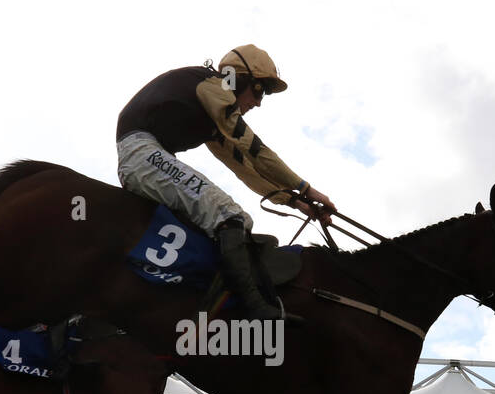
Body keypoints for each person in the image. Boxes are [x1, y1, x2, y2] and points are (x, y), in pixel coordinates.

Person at [115, 45, 336, 323]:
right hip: (142, 154)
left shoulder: (212, 114)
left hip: (145, 158)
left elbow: (244, 167)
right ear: (239, 79)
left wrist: (295, 201)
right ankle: (253, 307)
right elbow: (255, 149)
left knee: (225, 222)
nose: (258, 102)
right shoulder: (213, 87)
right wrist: (306, 188)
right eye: (259, 90)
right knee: (228, 214)